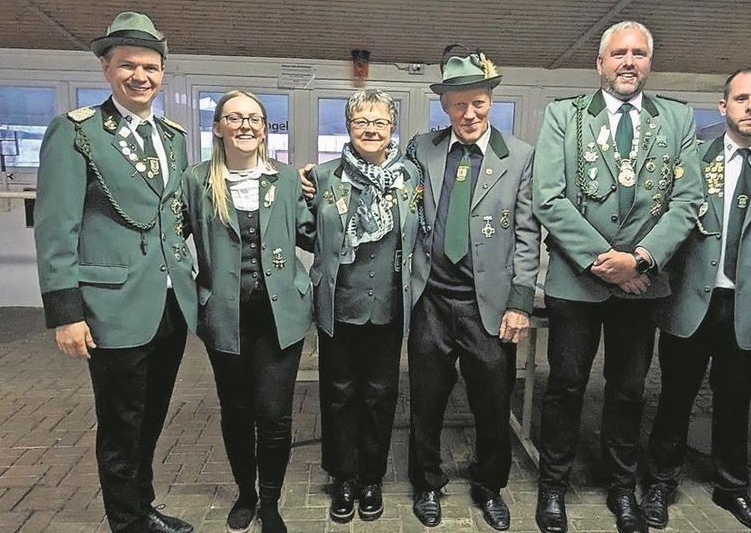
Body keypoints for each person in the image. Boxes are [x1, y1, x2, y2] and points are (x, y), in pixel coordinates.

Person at [532, 21, 702, 533]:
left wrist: (642, 259)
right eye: (619, 53)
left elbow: (687, 200)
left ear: (650, 62)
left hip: (643, 283)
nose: (629, 62)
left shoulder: (675, 118)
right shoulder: (565, 116)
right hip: (577, 281)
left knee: (628, 390)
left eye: (640, 53)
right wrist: (609, 263)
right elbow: (549, 196)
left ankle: (621, 488)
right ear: (600, 63)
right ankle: (553, 488)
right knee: (565, 386)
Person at [34, 11, 196, 533]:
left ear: (162, 72)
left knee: (149, 418)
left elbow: (172, 216)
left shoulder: (172, 137)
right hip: (111, 306)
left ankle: (140, 507)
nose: (141, 76)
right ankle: (127, 523)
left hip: (168, 302)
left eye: (151, 66)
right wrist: (66, 312)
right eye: (128, 65)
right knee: (121, 423)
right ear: (107, 68)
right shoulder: (76, 132)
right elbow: (55, 227)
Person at [642, 67, 751, 533]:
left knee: (735, 400)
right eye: (742, 98)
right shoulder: (693, 160)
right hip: (690, 302)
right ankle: (659, 483)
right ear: (724, 106)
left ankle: (733, 488)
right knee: (674, 398)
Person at [404, 48, 540, 531]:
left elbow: (528, 234)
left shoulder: (519, 156)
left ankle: (488, 486)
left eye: (478, 102)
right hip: (431, 302)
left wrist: (521, 302)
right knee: (426, 403)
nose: (469, 113)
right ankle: (426, 483)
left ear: (490, 101)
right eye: (459, 104)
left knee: (492, 405)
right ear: (445, 105)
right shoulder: (422, 148)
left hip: (490, 307)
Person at [182, 90, 313, 533]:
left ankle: (271, 501)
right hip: (225, 318)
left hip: (280, 319)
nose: (245, 126)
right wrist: (194, 293)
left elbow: (311, 232)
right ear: (217, 127)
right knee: (236, 411)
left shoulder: (286, 178)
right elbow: (170, 239)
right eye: (234, 118)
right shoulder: (197, 181)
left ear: (264, 127)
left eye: (254, 118)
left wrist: (337, 189)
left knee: (274, 414)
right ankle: (246, 493)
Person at [303, 89, 419, 524]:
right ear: (348, 127)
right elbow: (302, 230)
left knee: (379, 396)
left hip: (389, 307)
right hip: (340, 305)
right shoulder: (324, 177)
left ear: (392, 128)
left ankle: (371, 478)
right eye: (361, 122)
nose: (370, 130)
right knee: (338, 395)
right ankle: (343, 478)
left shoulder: (411, 176)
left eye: (379, 122)